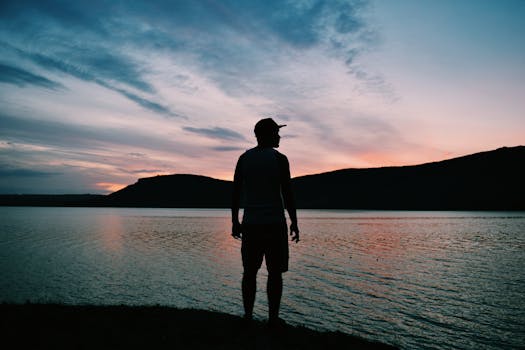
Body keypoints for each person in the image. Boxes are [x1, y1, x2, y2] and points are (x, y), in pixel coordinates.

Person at [231, 118, 300, 328]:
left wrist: (235, 221)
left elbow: (235, 193)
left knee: (249, 272)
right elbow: (287, 193)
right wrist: (294, 222)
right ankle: (272, 319)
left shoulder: (244, 158)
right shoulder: (280, 159)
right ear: (268, 134)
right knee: (275, 273)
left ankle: (248, 316)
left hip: (251, 224)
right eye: (276, 133)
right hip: (274, 224)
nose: (279, 136)